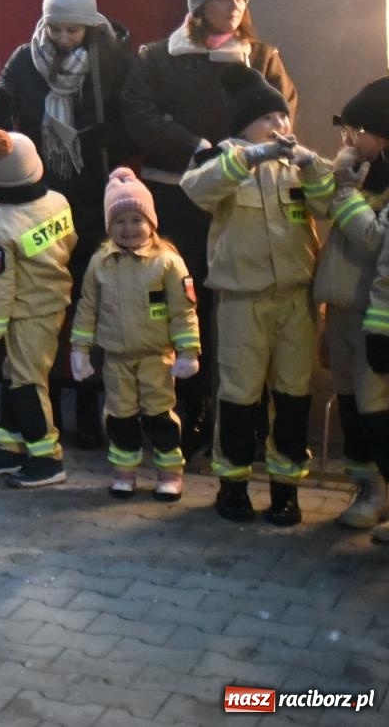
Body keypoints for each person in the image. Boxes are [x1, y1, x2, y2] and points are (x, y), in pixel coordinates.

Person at [121, 0, 298, 457]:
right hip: (177, 200)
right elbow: (138, 113)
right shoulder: (157, 57)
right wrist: (197, 147)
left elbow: (284, 116)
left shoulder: (263, 58)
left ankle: (246, 421)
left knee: (245, 312)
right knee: (184, 305)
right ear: (199, 5)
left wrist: (239, 153)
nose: (236, 3)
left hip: (247, 206)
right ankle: (188, 411)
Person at [0, 0, 134, 451]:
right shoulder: (27, 58)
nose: (64, 36)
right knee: (38, 312)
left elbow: (134, 114)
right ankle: (39, 410)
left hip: (90, 199)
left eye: (73, 27)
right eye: (57, 26)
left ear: (88, 24)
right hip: (40, 200)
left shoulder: (111, 58)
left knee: (92, 306)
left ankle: (89, 410)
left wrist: (112, 138)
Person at [181, 65, 330, 526]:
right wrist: (251, 157)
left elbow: (328, 204)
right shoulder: (223, 159)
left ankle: (286, 489)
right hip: (242, 301)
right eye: (268, 119)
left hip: (296, 300)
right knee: (240, 399)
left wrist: (312, 166)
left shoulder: (297, 164)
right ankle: (234, 485)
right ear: (245, 125)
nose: (280, 127)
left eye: (282, 118)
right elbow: (198, 189)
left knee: (292, 397)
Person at [69, 168, 200, 501]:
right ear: (109, 225)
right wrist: (80, 350)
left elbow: (183, 311)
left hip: (157, 357)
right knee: (120, 416)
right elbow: (87, 309)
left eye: (136, 219)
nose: (129, 228)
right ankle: (124, 472)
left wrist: (188, 352)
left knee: (160, 415)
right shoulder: (100, 263)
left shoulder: (168, 263)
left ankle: (169, 472)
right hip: (116, 359)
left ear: (151, 222)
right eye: (120, 221)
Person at [0, 129, 78, 488]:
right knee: (15, 376)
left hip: (24, 313)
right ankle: (10, 447)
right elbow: (71, 243)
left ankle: (47, 458)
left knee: (26, 382)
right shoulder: (59, 203)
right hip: (53, 305)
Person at [314, 78, 389, 533]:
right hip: (341, 310)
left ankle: (382, 492)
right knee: (349, 404)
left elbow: (375, 241)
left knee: (375, 408)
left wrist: (343, 192)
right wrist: (329, 176)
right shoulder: (358, 170)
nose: (347, 138)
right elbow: (323, 208)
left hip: (374, 317)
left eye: (356, 129)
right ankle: (368, 489)